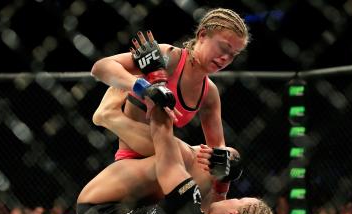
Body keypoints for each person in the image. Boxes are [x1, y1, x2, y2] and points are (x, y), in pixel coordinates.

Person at [61, 91, 275, 214]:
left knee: (189, 158)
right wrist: (231, 165)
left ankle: (109, 116)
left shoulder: (188, 209)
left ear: (233, 213)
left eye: (239, 200)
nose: (233, 199)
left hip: (98, 209)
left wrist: (161, 103)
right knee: (209, 168)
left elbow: (167, 149)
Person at [90, 8, 250, 199]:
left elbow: (217, 153)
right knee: (182, 153)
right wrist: (143, 88)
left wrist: (220, 197)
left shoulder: (210, 93)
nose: (226, 58)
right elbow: (100, 68)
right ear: (203, 35)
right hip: (134, 157)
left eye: (234, 54)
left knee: (225, 158)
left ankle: (109, 115)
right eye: (223, 48)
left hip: (166, 164)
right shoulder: (169, 57)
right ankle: (109, 116)